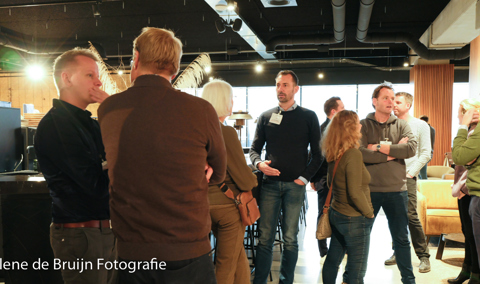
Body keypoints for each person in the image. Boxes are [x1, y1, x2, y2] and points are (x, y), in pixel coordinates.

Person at [97, 27, 227, 284]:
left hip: (133, 253)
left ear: (136, 58)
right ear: (175, 68)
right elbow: (219, 171)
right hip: (189, 249)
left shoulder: (108, 108)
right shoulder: (201, 110)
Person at [34, 48, 115, 284]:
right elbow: (97, 185)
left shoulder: (89, 124)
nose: (99, 81)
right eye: (90, 75)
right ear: (66, 78)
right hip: (80, 234)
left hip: (101, 231)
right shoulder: (56, 125)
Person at [250, 70, 321, 284]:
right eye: (278, 85)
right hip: (270, 185)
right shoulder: (265, 116)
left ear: (295, 89)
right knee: (265, 239)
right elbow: (254, 149)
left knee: (290, 239)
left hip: (295, 186)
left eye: (285, 85)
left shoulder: (309, 116)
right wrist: (259, 164)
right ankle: (259, 280)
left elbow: (319, 155)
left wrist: (304, 178)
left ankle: (285, 281)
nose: (280, 89)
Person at [359, 82, 417, 284]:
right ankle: (356, 279)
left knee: (401, 239)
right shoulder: (363, 125)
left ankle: (408, 280)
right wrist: (392, 152)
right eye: (386, 98)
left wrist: (377, 148)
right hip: (369, 191)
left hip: (397, 191)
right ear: (374, 101)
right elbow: (359, 153)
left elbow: (410, 149)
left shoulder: (401, 124)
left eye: (393, 98)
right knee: (362, 239)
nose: (391, 102)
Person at [201, 79, 257, 284]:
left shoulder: (197, 129)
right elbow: (242, 176)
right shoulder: (225, 131)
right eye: (231, 98)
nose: (233, 103)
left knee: (236, 254)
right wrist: (255, 179)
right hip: (227, 205)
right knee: (225, 264)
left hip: (204, 203)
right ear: (223, 101)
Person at [321, 110, 375, 284]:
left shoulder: (334, 152)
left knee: (333, 259)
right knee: (357, 269)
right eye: (358, 123)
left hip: (337, 213)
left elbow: (330, 184)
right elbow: (355, 192)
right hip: (354, 218)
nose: (361, 126)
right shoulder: (352, 154)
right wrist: (369, 213)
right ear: (350, 128)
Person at [386, 92, 431, 272]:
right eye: (392, 101)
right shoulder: (389, 124)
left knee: (411, 216)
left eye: (398, 102)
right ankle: (398, 251)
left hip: (408, 176)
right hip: (389, 176)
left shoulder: (420, 125)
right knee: (394, 217)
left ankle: (423, 256)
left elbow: (426, 153)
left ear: (408, 105)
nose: (393, 104)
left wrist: (411, 173)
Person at [449, 99, 480, 284]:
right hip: (463, 189)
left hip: (470, 190)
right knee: (468, 233)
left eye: (460, 112)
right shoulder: (469, 132)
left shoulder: (473, 132)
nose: (458, 116)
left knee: (474, 236)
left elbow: (462, 157)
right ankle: (467, 271)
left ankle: (475, 274)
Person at [310, 96, 345, 257]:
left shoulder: (338, 129)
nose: (344, 112)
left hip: (334, 179)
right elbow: (315, 155)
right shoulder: (323, 129)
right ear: (334, 111)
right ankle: (323, 251)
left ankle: (335, 249)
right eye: (342, 109)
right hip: (325, 179)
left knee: (336, 213)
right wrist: (314, 179)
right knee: (324, 213)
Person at [419, 115, 435, 180]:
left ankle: (425, 186)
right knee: (419, 172)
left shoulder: (427, 129)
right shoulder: (431, 129)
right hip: (427, 152)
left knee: (422, 173)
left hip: (425, 152)